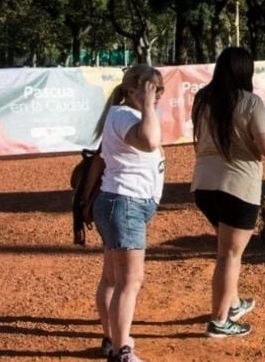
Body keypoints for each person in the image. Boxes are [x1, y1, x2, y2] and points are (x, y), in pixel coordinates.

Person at [191, 47, 265, 339]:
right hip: (238, 186)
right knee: (229, 255)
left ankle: (233, 302)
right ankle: (220, 321)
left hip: (204, 185)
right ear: (246, 71)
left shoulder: (202, 99)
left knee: (226, 250)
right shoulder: (250, 102)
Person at [93, 64, 165, 362]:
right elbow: (149, 141)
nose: (157, 95)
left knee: (112, 277)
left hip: (121, 203)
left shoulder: (122, 114)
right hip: (125, 205)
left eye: (160, 90)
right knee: (129, 281)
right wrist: (148, 105)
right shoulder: (125, 114)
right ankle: (123, 350)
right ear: (131, 90)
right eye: (151, 89)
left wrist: (147, 104)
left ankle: (112, 340)